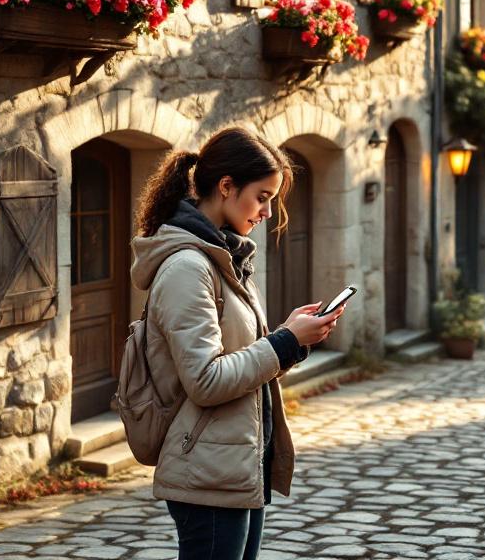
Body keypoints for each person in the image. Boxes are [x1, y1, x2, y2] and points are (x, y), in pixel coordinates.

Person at [130, 126, 344, 560]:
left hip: (238, 463)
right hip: (207, 470)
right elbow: (206, 380)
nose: (267, 211)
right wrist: (283, 342)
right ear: (226, 187)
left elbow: (242, 362)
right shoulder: (189, 268)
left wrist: (293, 339)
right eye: (262, 196)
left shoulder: (222, 257)